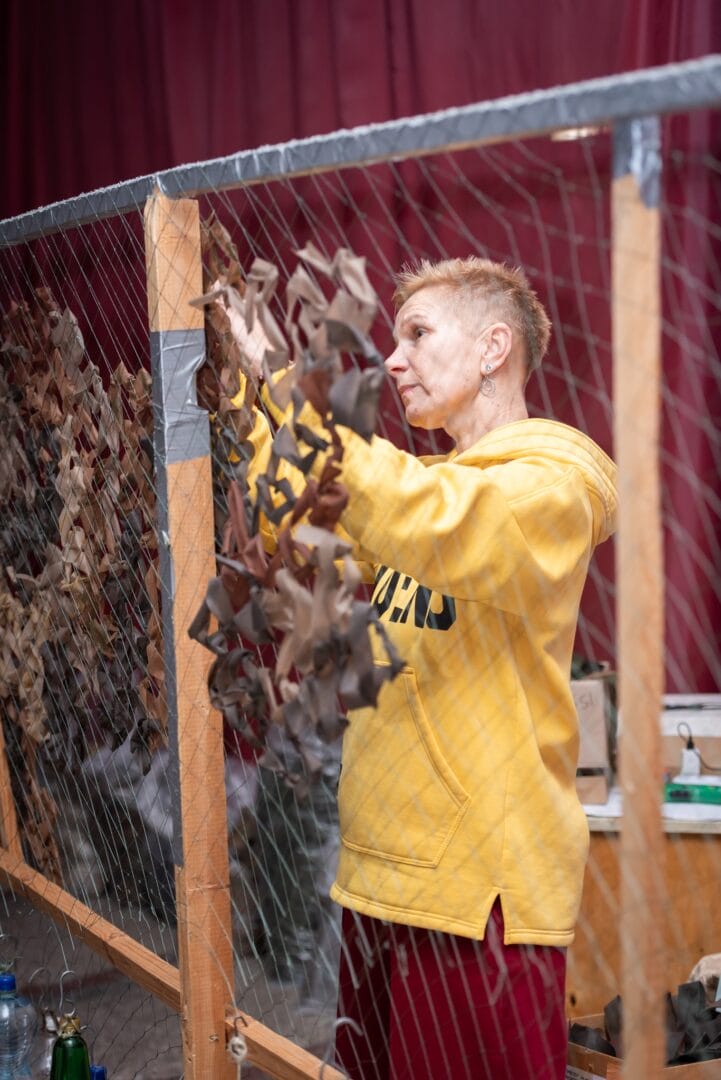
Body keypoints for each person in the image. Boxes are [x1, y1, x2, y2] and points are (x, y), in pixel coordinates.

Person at [224, 256, 617, 1079]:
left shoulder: (555, 485)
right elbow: (294, 527)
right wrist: (249, 403)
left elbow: (431, 520)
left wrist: (293, 389)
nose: (392, 362)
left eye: (418, 335)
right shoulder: (419, 488)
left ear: (493, 348)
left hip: (478, 896)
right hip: (381, 876)